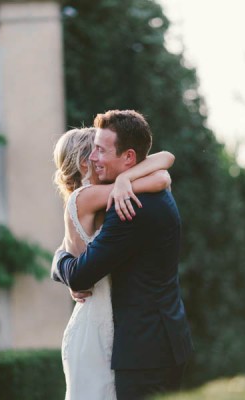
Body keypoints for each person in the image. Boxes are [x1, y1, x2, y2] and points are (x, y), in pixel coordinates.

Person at [53, 110, 193, 399]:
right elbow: (163, 169)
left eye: (101, 151)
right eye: (94, 151)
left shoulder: (127, 204)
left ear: (128, 157)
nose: (96, 158)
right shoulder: (135, 191)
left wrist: (58, 263)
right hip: (156, 339)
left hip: (144, 350)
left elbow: (80, 276)